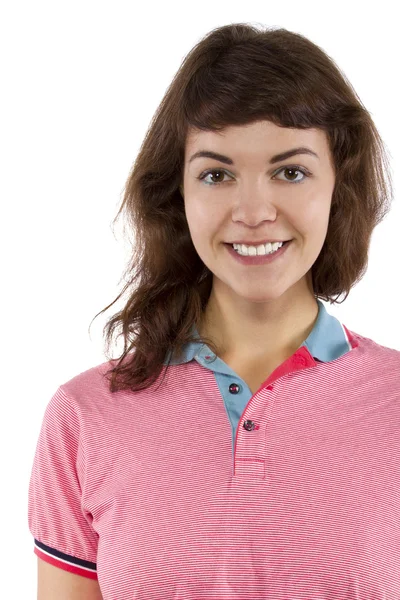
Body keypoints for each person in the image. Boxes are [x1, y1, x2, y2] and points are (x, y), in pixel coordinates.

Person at [28, 22, 399, 600]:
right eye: (217, 174)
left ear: (338, 186)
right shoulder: (82, 417)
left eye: (290, 171)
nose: (253, 211)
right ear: (177, 193)